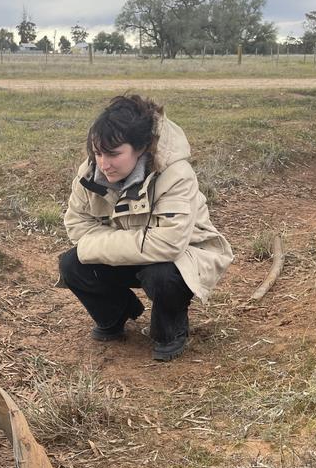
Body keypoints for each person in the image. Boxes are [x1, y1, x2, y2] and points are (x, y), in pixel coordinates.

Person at [59, 94, 233, 361]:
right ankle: (117, 314)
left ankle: (171, 328)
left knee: (161, 276)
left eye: (114, 154)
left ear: (140, 147)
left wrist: (102, 243)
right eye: (98, 153)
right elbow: (76, 226)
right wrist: (121, 244)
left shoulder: (176, 174)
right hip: (138, 250)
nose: (104, 164)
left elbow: (169, 243)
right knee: (72, 264)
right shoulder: (89, 172)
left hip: (185, 255)